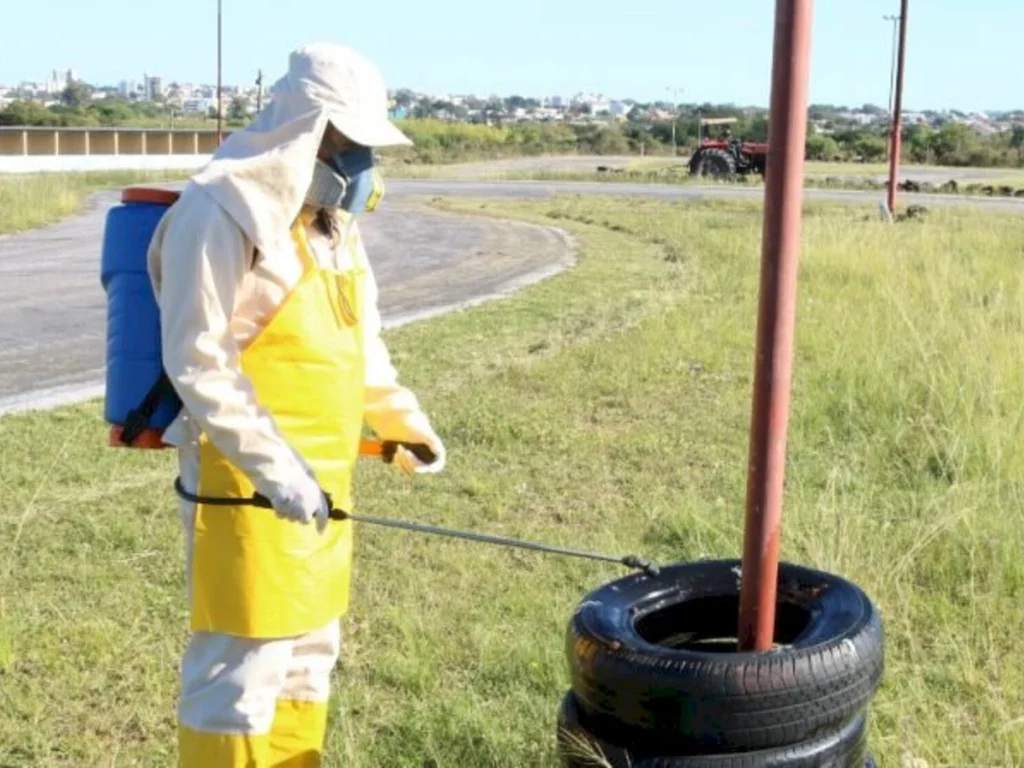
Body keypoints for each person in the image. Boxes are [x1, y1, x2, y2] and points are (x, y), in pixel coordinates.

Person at [146, 42, 446, 766]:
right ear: (303, 133)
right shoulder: (218, 210)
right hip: (242, 482)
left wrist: (404, 424)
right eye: (348, 143)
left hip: (327, 481)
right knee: (240, 671)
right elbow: (199, 360)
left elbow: (361, 340)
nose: (361, 163)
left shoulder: (333, 224)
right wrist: (276, 471)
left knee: (310, 658)